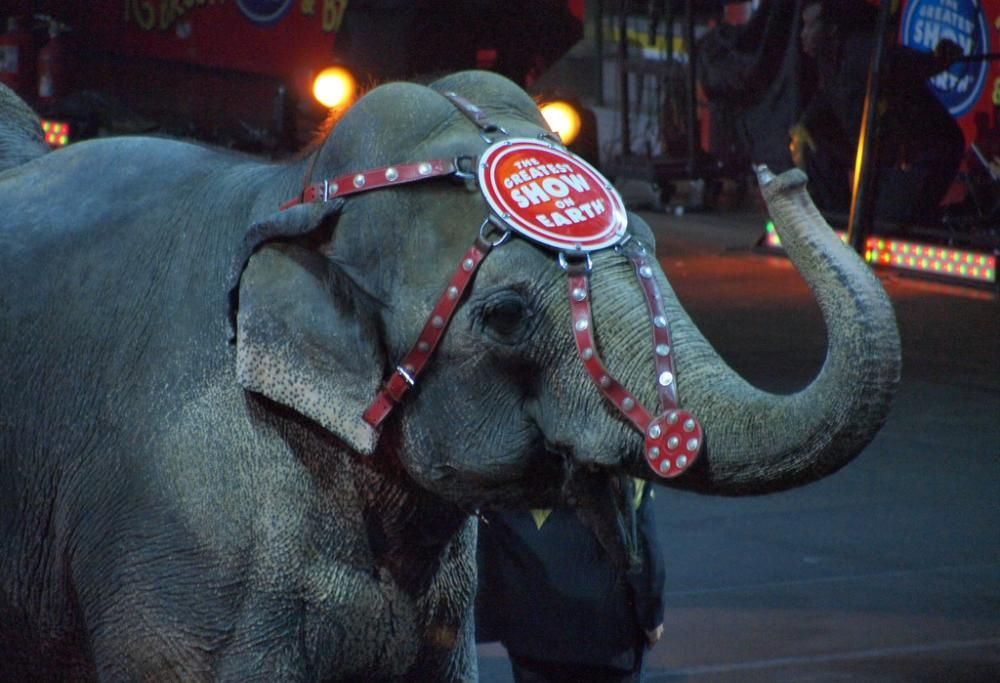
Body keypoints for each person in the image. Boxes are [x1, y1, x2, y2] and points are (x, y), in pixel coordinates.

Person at [790, 0, 966, 225]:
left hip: (926, 154)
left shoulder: (862, 52)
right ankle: (836, 218)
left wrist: (937, 59)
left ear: (831, 30)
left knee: (885, 224)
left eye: (809, 26)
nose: (803, 34)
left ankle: (942, 217)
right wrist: (803, 125)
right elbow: (824, 97)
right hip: (885, 154)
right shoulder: (828, 61)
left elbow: (908, 63)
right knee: (808, 140)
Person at [476, 478, 665, 683]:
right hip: (608, 638)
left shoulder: (501, 467)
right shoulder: (621, 468)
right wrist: (651, 616)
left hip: (532, 636)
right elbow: (643, 546)